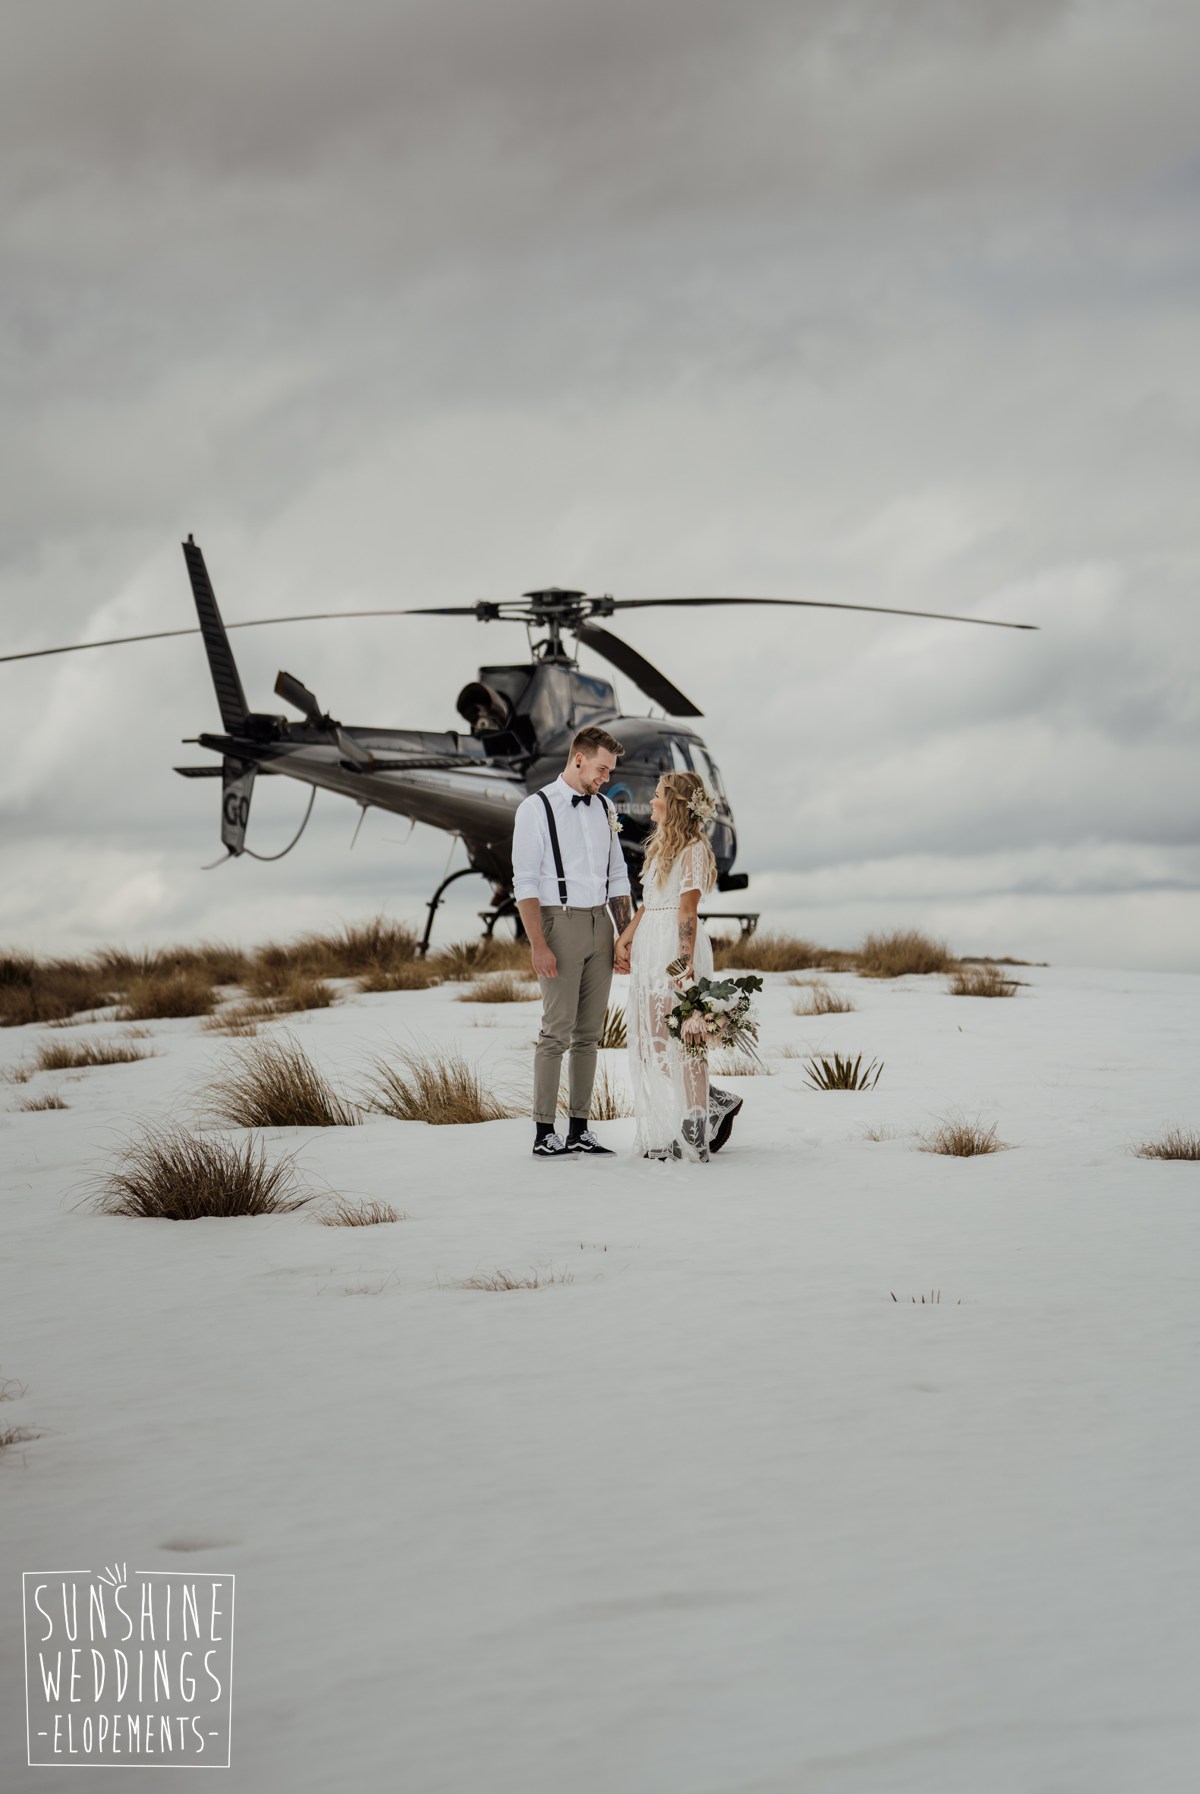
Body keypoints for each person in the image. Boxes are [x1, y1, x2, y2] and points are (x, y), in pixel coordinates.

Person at [511, 726, 634, 1158]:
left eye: (609, 771)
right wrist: (537, 944)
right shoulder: (535, 808)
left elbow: (617, 873)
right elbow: (524, 882)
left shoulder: (605, 807)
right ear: (578, 758)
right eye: (602, 768)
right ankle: (545, 1132)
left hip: (601, 924)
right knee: (555, 1033)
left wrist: (625, 936)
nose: (605, 778)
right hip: (557, 924)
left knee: (590, 1035)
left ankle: (580, 1128)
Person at [614, 770, 743, 1162]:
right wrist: (626, 936)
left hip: (674, 948)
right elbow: (649, 903)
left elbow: (687, 910)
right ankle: (714, 1101)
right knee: (655, 1039)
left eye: (656, 795)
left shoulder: (694, 850)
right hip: (651, 946)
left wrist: (684, 960)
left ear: (674, 804)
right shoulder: (659, 847)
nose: (650, 801)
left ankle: (694, 1127)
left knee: (685, 1039)